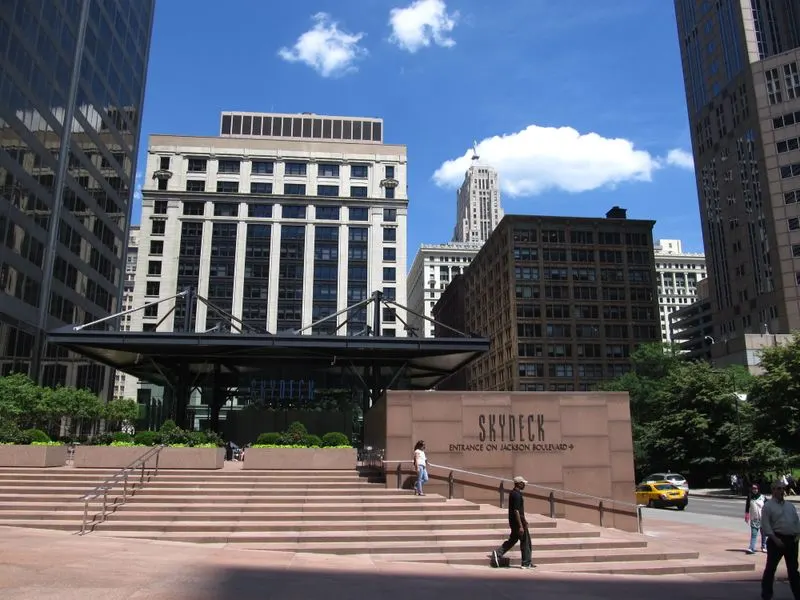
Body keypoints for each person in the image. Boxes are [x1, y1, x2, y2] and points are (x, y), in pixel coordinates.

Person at [760, 480, 800, 600]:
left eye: (783, 488)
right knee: (771, 569)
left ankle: (798, 594)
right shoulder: (768, 506)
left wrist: (797, 537)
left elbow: (796, 522)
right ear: (773, 490)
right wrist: (775, 539)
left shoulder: (790, 506)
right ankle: (767, 594)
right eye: (778, 488)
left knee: (793, 570)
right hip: (776, 540)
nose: (781, 491)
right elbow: (765, 525)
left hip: (792, 540)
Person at [490, 475, 533, 569]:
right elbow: (516, 511)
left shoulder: (513, 493)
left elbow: (518, 511)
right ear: (519, 484)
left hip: (516, 522)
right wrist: (521, 525)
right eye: (523, 483)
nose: (524, 485)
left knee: (513, 540)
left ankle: (498, 553)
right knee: (525, 542)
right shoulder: (517, 495)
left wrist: (524, 521)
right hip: (518, 523)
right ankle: (526, 563)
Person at [745, 483, 767, 554]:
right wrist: (747, 515)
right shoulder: (750, 497)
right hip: (754, 519)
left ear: (758, 489)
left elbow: (768, 506)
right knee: (754, 534)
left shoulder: (763, 497)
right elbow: (747, 506)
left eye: (756, 488)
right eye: (753, 488)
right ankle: (751, 548)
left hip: (763, 519)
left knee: (763, 534)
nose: (754, 490)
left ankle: (764, 546)